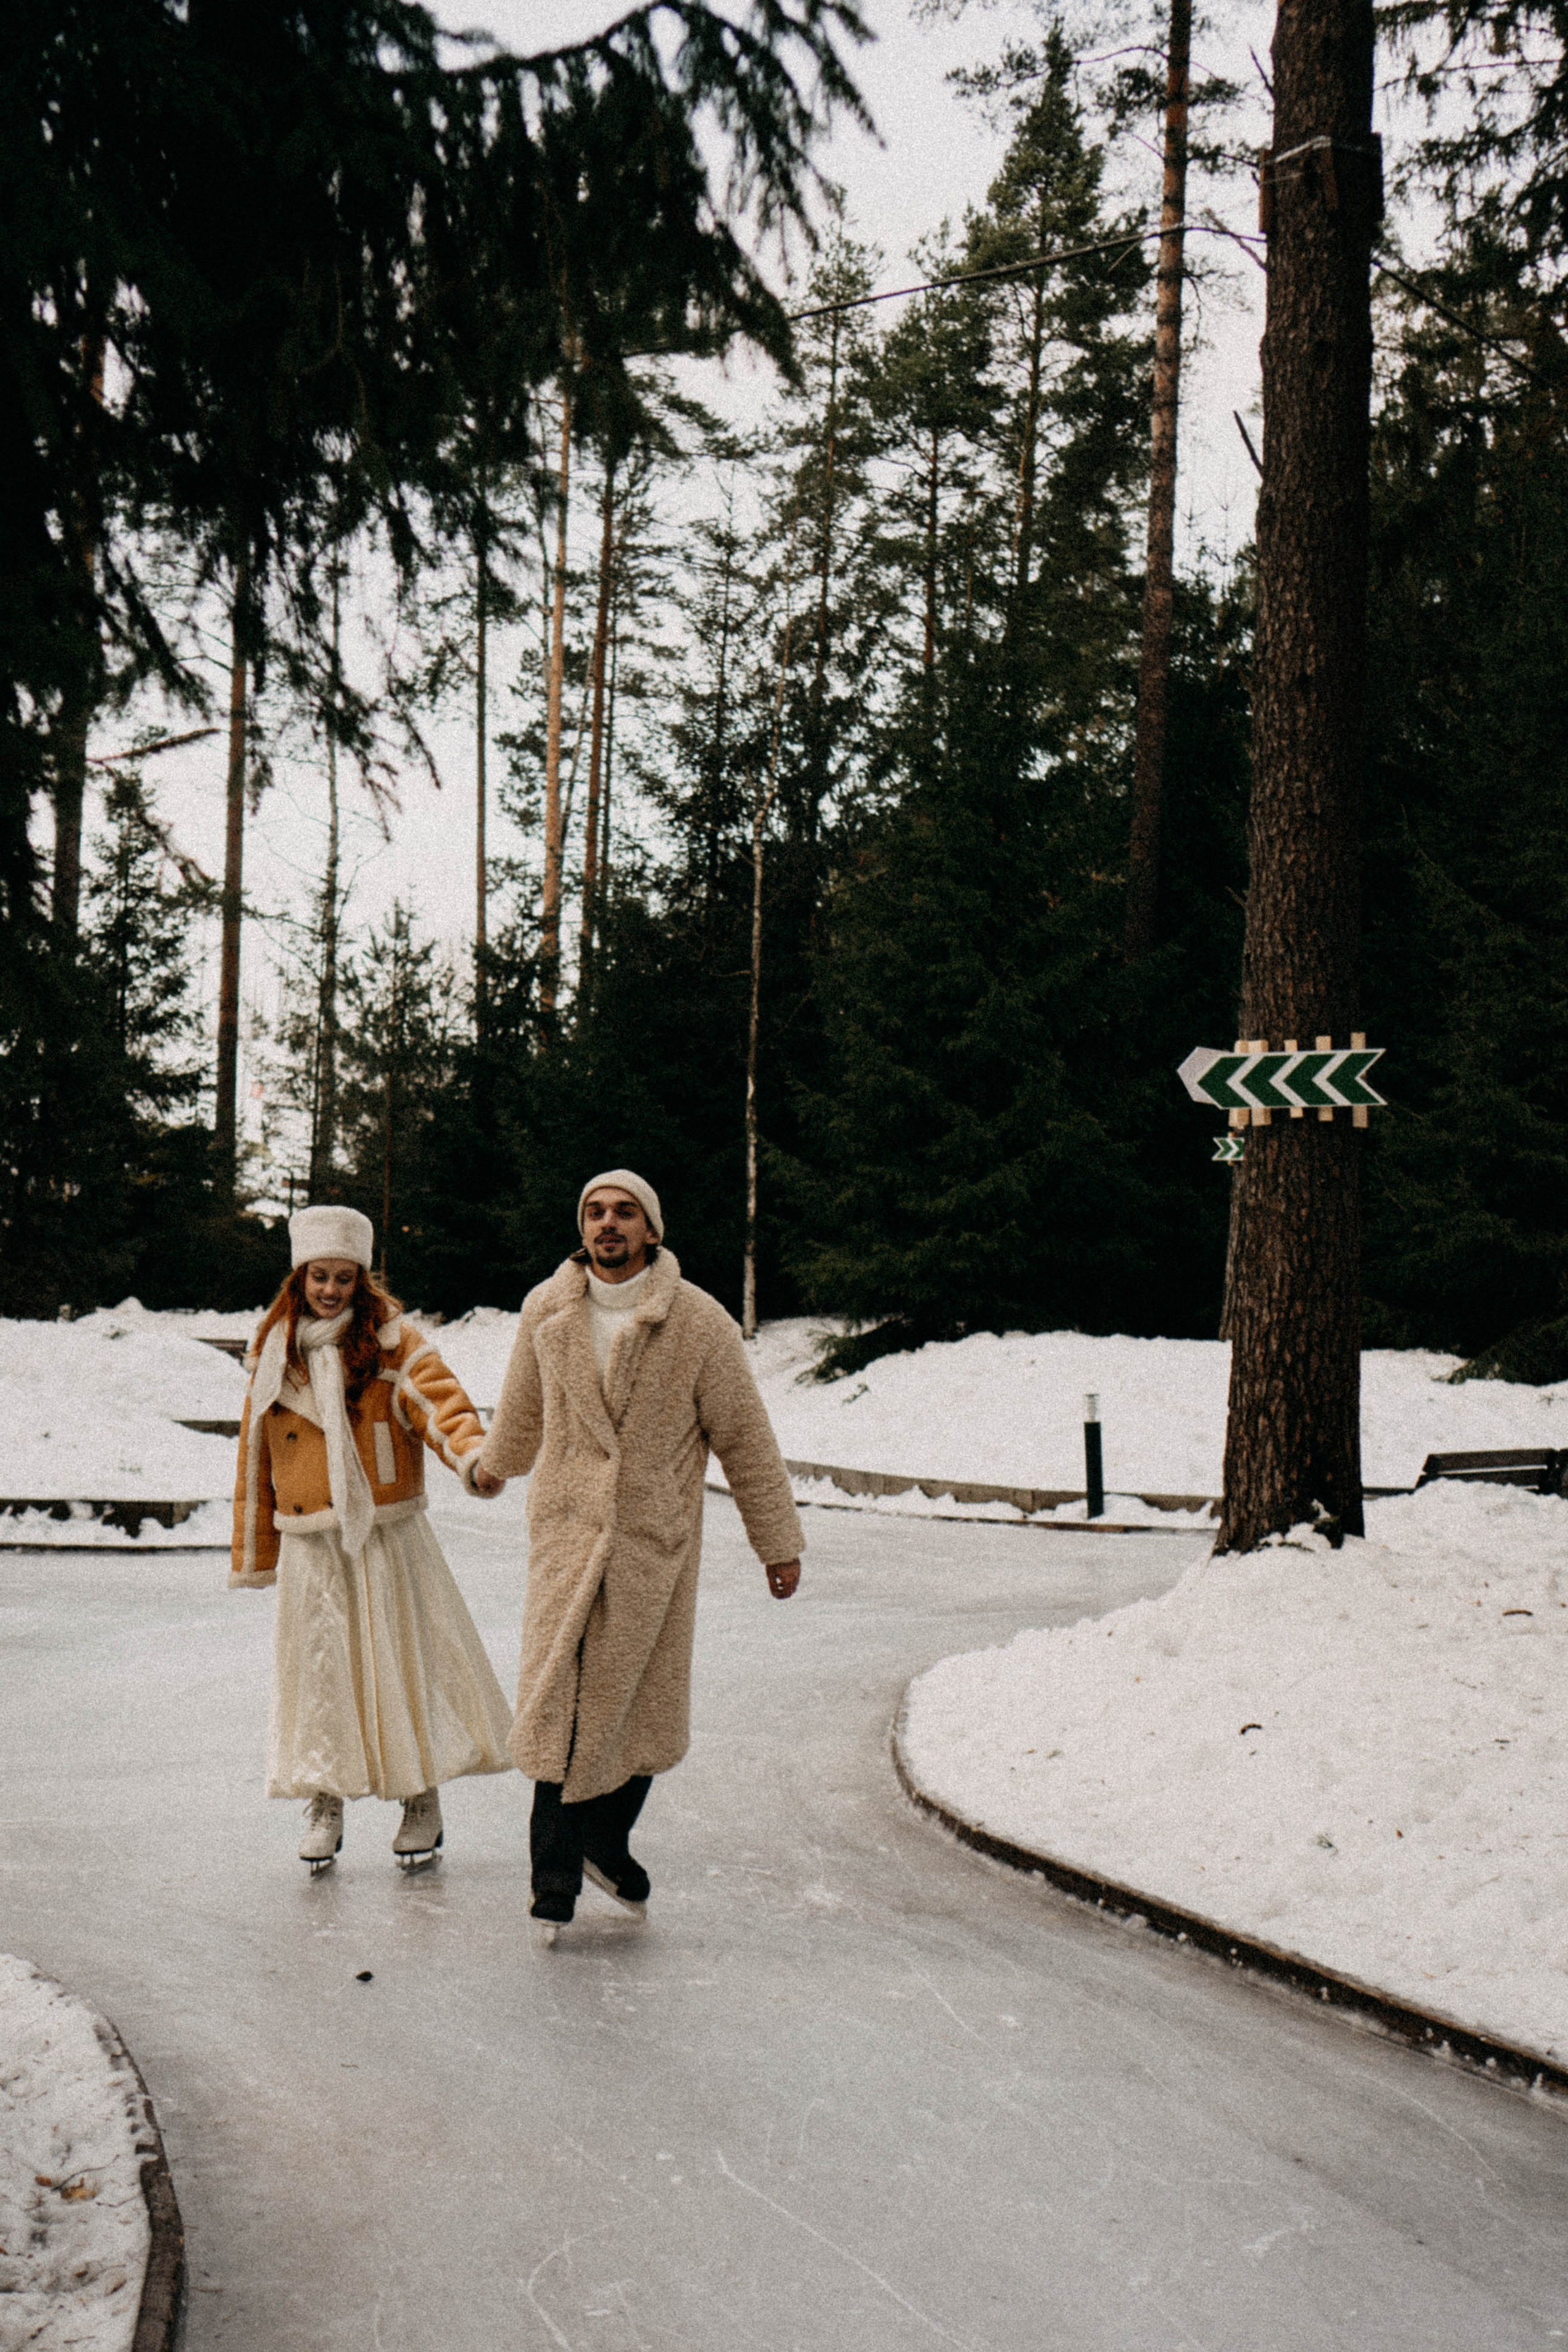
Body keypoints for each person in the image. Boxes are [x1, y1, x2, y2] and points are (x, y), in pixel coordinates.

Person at [479, 1169, 803, 1943]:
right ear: (582, 1227)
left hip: (649, 1545)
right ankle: (553, 1882)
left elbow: (745, 1438)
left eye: (625, 1213)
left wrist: (778, 1542)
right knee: (557, 1700)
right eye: (595, 1212)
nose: (608, 1225)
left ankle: (605, 1841)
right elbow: (521, 1416)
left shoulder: (698, 1324)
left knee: (639, 1711)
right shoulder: (546, 1310)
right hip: (564, 1536)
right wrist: (491, 1465)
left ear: (651, 1231)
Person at [231, 1205, 513, 1871]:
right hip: (309, 1539)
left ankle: (421, 1798)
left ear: (363, 1280)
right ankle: (325, 1801)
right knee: (320, 1675)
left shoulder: (393, 1345)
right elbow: (255, 1459)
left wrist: (473, 1459)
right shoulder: (274, 1354)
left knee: (399, 1666)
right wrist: (255, 1550)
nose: (330, 1290)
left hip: (382, 1532)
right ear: (298, 1278)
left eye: (344, 1278)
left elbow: (443, 1404)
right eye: (318, 1277)